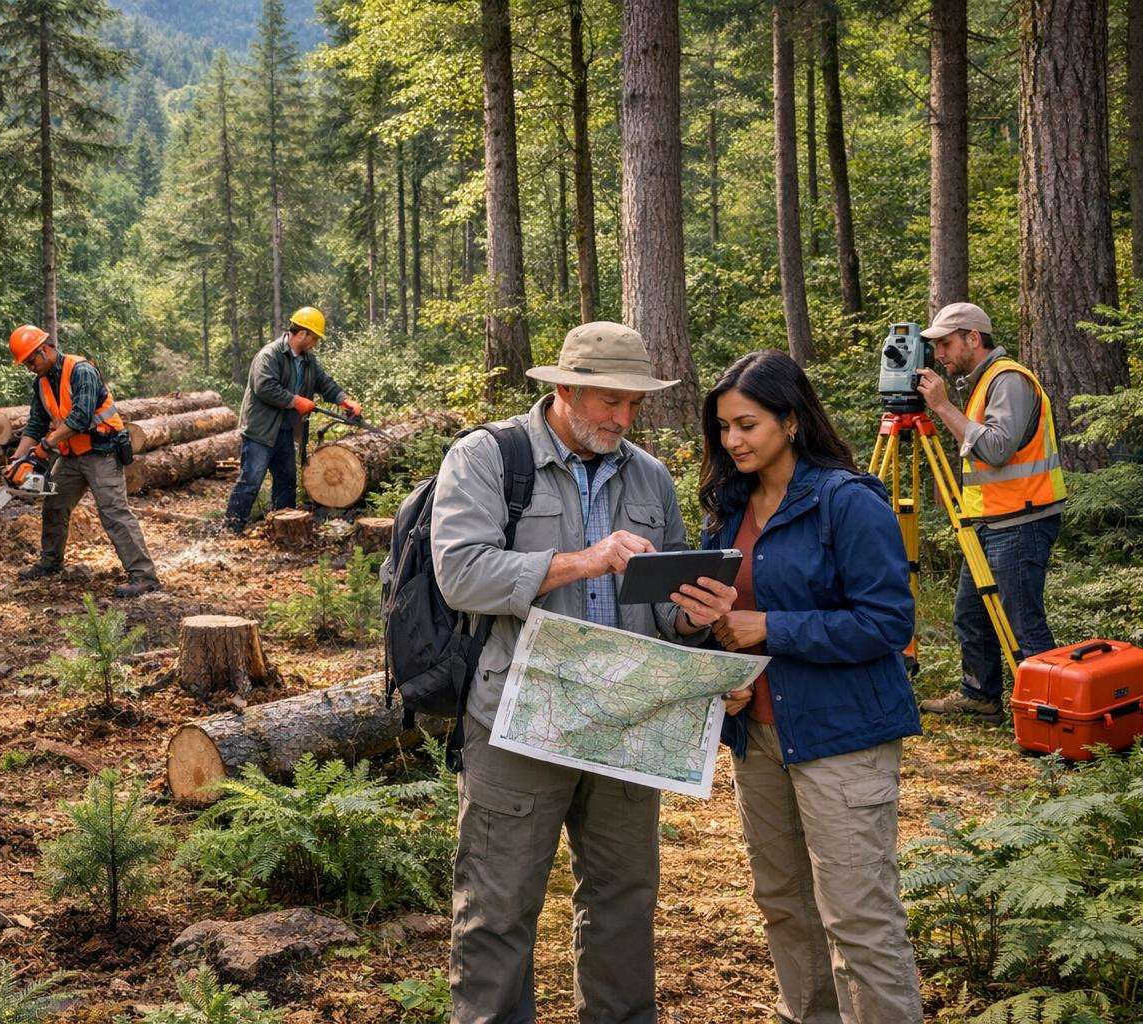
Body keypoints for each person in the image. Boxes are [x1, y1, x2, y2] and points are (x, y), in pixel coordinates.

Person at [431, 321, 737, 1024]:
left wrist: (693, 615)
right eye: (608, 402)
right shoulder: (489, 458)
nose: (623, 419)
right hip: (517, 718)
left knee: (624, 907)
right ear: (564, 389)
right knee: (499, 906)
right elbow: (462, 574)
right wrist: (585, 560)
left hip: (627, 724)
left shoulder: (650, 476)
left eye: (634, 405)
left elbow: (663, 608)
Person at [699, 349, 923, 1022]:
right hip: (758, 737)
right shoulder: (728, 509)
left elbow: (887, 623)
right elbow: (730, 623)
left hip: (842, 737)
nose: (733, 441)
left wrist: (770, 626)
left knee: (858, 918)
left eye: (747, 425)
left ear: (791, 421)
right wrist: (715, 649)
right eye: (723, 429)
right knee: (785, 908)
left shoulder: (846, 501)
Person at [913, 302, 1065, 721]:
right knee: (970, 613)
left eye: (945, 343)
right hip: (991, 521)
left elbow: (997, 449)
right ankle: (980, 695)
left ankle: (1049, 714)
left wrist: (942, 407)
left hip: (1021, 520)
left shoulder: (1008, 380)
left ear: (972, 338)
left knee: (1022, 624)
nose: (939, 354)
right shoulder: (981, 384)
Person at [6, 324, 160, 598]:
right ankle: (50, 562)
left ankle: (143, 576)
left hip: (102, 452)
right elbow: (36, 423)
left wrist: (44, 448)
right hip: (70, 456)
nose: (29, 367)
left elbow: (80, 417)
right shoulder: (41, 383)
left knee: (113, 513)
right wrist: (19, 458)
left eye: (31, 360)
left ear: (44, 350)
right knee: (54, 505)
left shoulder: (80, 371)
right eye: (25, 363)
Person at [223, 306, 362, 533]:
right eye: (315, 337)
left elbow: (324, 383)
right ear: (303, 333)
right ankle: (231, 528)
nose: (316, 342)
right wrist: (296, 401)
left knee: (286, 482)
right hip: (261, 431)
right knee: (251, 481)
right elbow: (264, 387)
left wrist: (344, 400)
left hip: (285, 430)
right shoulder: (270, 355)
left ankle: (283, 530)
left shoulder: (308, 361)